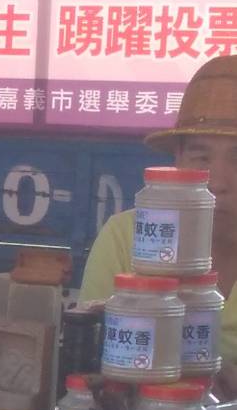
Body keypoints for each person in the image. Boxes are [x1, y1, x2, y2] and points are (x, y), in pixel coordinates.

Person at [81, 56, 237, 388]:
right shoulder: (126, 236)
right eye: (201, 157)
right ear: (177, 160)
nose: (219, 181)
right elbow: (90, 357)